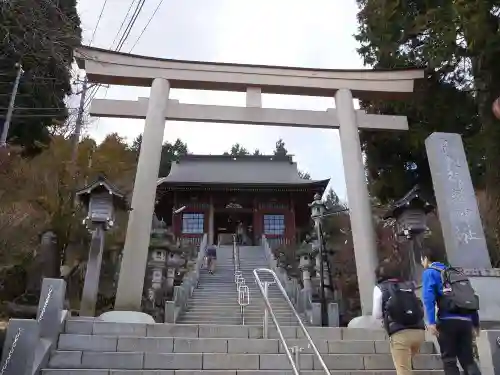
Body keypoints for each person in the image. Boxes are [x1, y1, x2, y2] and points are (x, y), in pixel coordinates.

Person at [421, 247, 481, 375]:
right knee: (468, 360)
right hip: (466, 321)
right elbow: (469, 297)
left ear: (426, 259)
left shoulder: (430, 272)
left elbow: (428, 298)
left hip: (447, 321)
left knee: (449, 360)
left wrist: (431, 322)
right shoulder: (455, 273)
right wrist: (475, 323)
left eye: (422, 260)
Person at [372, 261, 425, 375]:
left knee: (403, 371)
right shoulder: (408, 285)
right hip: (419, 332)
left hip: (400, 333)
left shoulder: (380, 287)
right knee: (406, 366)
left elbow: (376, 314)